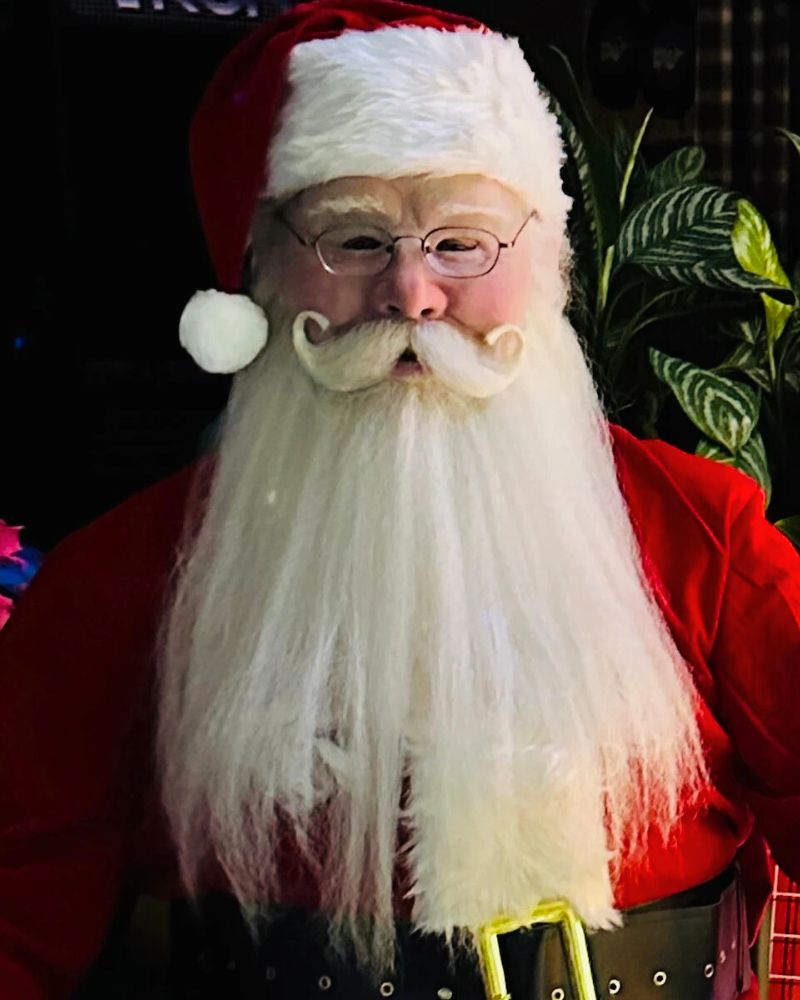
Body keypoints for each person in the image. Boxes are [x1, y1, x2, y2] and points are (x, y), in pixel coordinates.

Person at [1, 1, 798, 998]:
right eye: (354, 240)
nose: (411, 295)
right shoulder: (125, 574)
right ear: (266, 272)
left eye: (462, 242)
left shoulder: (696, 530)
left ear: (542, 265)